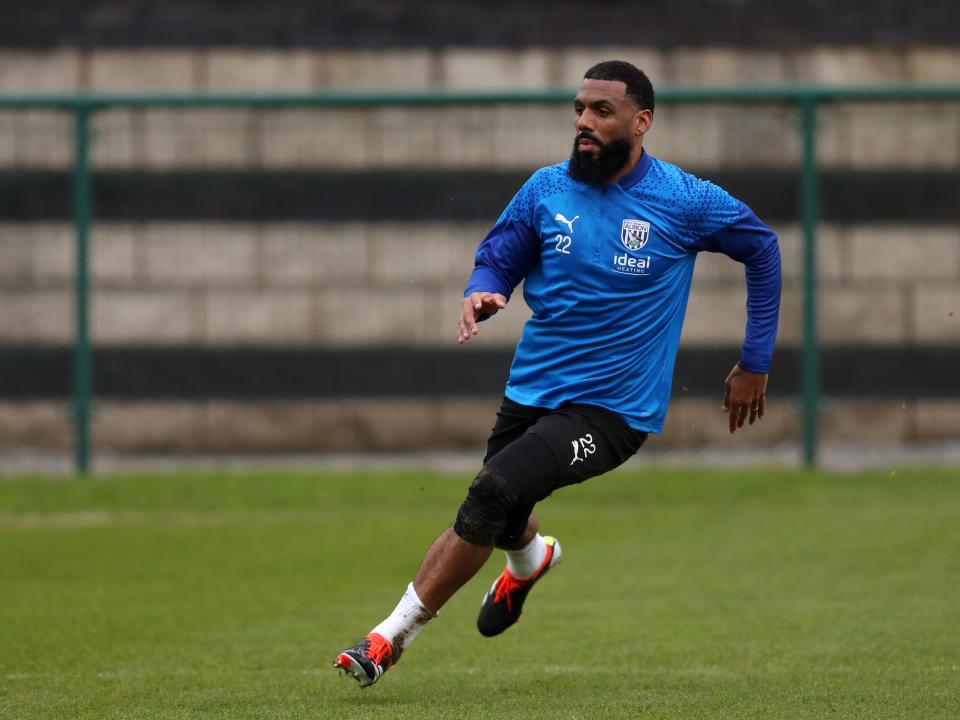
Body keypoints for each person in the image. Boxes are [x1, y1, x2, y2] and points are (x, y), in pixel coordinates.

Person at [334, 60, 781, 688]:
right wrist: (484, 291)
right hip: (532, 389)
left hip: (613, 413)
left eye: (602, 111)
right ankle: (529, 561)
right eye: (579, 110)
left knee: (492, 491)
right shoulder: (546, 189)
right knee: (503, 504)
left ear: (641, 122)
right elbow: (499, 257)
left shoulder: (683, 199)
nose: (584, 123)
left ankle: (387, 638)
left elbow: (762, 247)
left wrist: (754, 361)